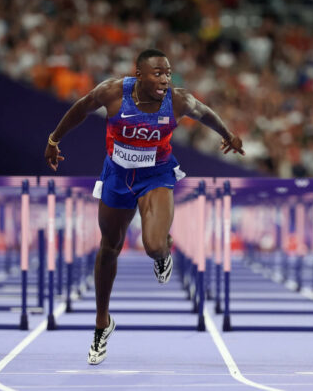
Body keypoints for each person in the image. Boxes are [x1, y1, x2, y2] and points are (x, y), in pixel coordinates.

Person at [44, 48, 244, 365]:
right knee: (109, 246)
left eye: (168, 73)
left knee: (152, 245)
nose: (165, 79)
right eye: (158, 73)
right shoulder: (112, 92)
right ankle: (101, 322)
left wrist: (229, 135)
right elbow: (81, 109)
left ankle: (163, 248)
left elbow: (204, 112)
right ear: (139, 75)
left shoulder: (177, 100)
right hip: (117, 175)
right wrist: (54, 140)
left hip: (156, 174)